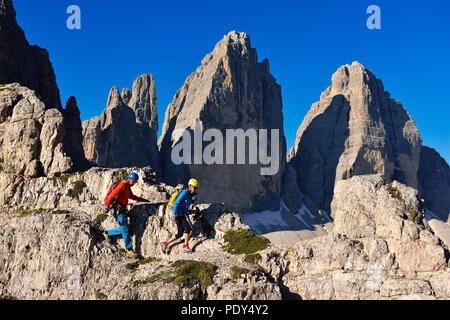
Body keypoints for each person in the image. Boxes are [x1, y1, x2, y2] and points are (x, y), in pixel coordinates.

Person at [103, 172, 148, 257]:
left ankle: (107, 233)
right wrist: (107, 206)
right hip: (117, 210)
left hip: (122, 210)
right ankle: (129, 249)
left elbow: (130, 196)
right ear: (130, 179)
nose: (134, 183)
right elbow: (111, 195)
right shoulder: (123, 185)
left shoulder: (127, 186)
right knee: (125, 228)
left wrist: (140, 199)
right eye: (134, 181)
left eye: (135, 182)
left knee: (124, 228)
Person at [160, 178, 199, 254]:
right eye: (195, 187)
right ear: (190, 186)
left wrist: (189, 211)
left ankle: (165, 243)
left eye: (196, 188)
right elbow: (176, 203)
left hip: (182, 214)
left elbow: (185, 205)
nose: (196, 189)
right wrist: (174, 214)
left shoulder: (190, 194)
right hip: (178, 214)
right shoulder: (184, 193)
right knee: (187, 228)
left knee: (180, 233)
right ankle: (185, 246)